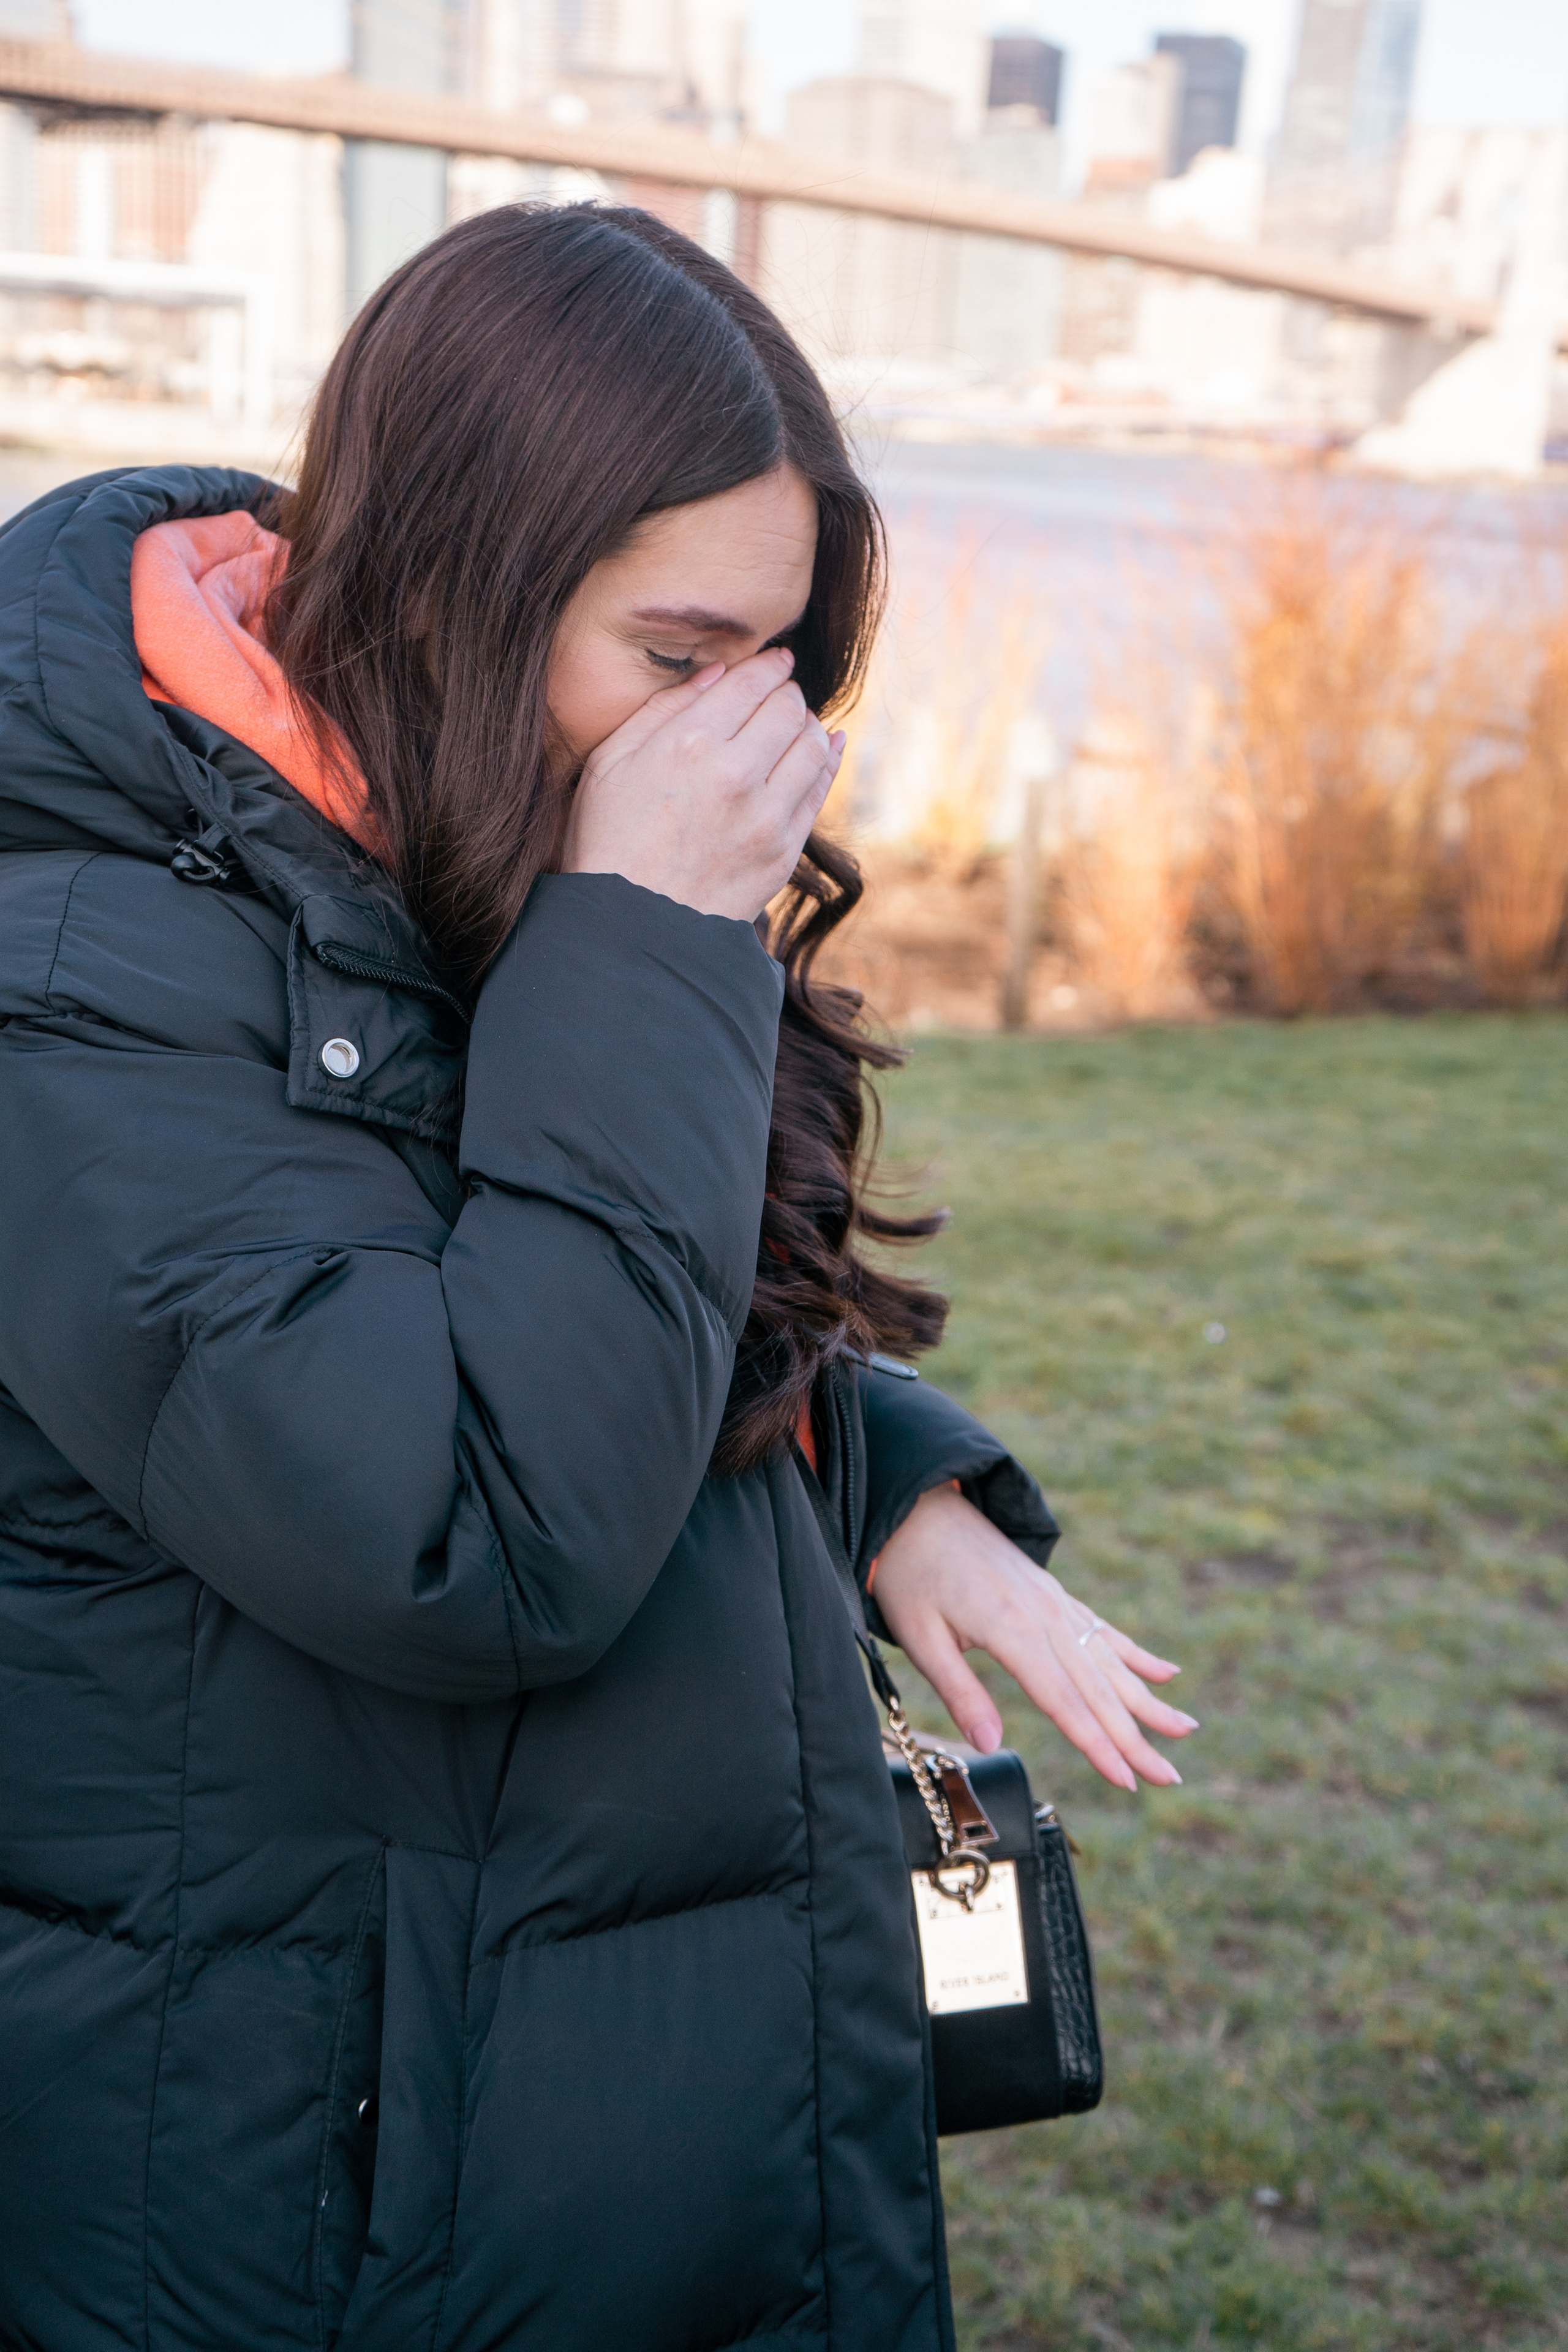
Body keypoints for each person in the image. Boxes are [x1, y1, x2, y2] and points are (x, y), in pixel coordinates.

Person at [0, 204, 1196, 2351]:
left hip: (643, 2094)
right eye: (679, 657)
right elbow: (460, 1520)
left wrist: (866, 1467)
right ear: (454, 586)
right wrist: (651, 942)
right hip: (329, 2186)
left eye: (780, 669)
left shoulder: (461, 816)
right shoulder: (82, 959)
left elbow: (560, 1259)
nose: (752, 748)